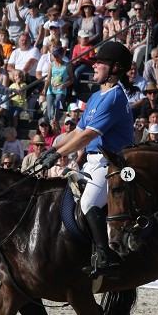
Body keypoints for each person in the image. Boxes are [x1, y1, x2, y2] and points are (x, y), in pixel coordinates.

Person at [39, 41, 134, 278]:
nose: (95, 66)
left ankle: (107, 257)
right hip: (91, 162)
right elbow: (77, 132)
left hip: (111, 164)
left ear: (115, 68)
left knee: (89, 203)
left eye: (100, 63)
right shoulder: (95, 97)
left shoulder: (114, 97)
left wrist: (59, 154)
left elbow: (90, 135)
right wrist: (52, 148)